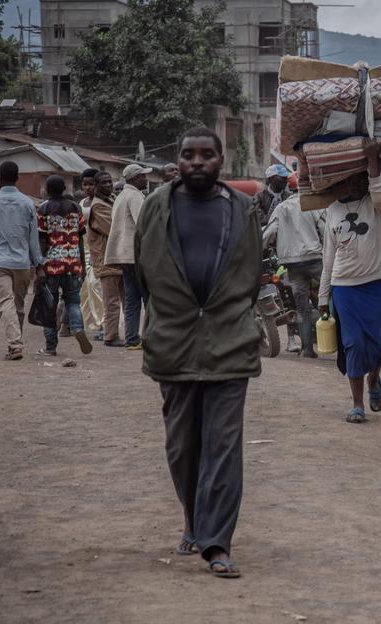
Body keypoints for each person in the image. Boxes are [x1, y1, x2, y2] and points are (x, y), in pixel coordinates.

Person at [135, 127, 261, 579]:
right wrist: (172, 315)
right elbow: (144, 272)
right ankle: (193, 520)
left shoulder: (243, 210)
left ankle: (216, 543)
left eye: (206, 154)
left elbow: (252, 270)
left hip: (230, 344)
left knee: (224, 447)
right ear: (178, 160)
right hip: (174, 343)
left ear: (221, 160)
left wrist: (229, 315)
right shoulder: (155, 207)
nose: (197, 162)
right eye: (188, 154)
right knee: (182, 446)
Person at [317, 139, 381, 424]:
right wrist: (323, 298)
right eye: (351, 181)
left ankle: (374, 382)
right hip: (343, 287)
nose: (356, 186)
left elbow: (379, 192)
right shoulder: (331, 209)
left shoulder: (376, 204)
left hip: (372, 284)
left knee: (377, 346)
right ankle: (357, 404)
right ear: (342, 183)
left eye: (361, 180)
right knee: (354, 344)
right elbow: (328, 257)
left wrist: (372, 161)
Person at [0, 161, 44, 360]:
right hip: (22, 262)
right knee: (18, 304)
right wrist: (38, 262)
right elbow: (33, 237)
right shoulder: (27, 203)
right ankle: (15, 343)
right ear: (17, 178)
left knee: (5, 303)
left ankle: (15, 344)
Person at [262, 193, 326, 358]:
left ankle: (307, 349)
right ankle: (337, 337)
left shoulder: (280, 207)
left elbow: (270, 232)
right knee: (332, 293)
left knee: (301, 307)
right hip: (314, 260)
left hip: (292, 264)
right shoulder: (310, 204)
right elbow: (325, 229)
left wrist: (259, 248)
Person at [36, 175, 93, 356]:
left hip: (52, 264)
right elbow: (80, 238)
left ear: (47, 190)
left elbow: (42, 241)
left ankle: (51, 347)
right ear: (63, 189)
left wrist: (39, 265)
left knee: (49, 306)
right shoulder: (76, 208)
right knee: (73, 301)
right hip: (73, 262)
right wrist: (81, 265)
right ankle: (77, 328)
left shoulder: (43, 209)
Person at [107, 164, 152, 350]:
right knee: (149, 298)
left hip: (124, 256)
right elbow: (144, 224)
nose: (146, 179)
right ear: (134, 179)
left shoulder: (121, 196)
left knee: (132, 299)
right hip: (136, 255)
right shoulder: (134, 196)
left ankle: (132, 338)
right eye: (143, 176)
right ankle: (152, 338)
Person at [88, 172, 125, 347]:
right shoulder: (98, 206)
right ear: (96, 185)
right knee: (111, 301)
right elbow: (114, 228)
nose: (109, 185)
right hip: (106, 258)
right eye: (104, 182)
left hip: (117, 258)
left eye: (110, 181)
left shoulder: (109, 200)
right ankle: (110, 336)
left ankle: (124, 333)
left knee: (123, 300)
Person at [77, 169, 105, 339]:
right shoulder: (81, 203)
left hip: (99, 248)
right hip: (84, 249)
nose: (88, 187)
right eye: (85, 184)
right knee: (85, 289)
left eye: (91, 184)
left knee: (97, 285)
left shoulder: (103, 202)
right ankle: (92, 324)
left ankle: (104, 324)